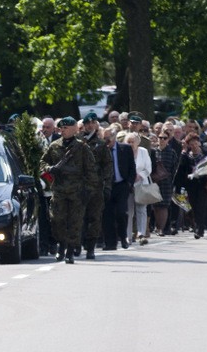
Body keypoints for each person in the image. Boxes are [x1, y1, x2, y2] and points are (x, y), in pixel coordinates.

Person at [40, 116, 97, 262]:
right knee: (56, 220)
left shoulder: (82, 147)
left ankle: (70, 251)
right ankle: (61, 244)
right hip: (58, 189)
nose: (63, 131)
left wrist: (89, 191)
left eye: (66, 128)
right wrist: (49, 168)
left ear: (74, 129)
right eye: (61, 128)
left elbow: (91, 171)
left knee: (75, 222)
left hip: (77, 191)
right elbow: (42, 162)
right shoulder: (54, 145)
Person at [79, 112, 112, 259]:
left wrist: (107, 186)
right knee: (78, 218)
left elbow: (107, 167)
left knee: (94, 218)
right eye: (87, 123)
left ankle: (91, 247)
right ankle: (77, 245)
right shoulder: (77, 142)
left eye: (92, 123)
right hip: (78, 186)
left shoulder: (101, 144)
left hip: (96, 187)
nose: (90, 126)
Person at [101, 127, 136, 250]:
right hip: (107, 186)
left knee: (121, 212)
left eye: (108, 138)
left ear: (114, 137)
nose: (106, 141)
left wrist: (129, 183)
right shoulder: (101, 150)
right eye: (103, 138)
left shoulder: (125, 149)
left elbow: (132, 167)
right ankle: (110, 243)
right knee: (107, 214)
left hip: (122, 185)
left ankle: (123, 237)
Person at [175, 132, 207, 239]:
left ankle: (200, 228)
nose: (194, 145)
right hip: (191, 184)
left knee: (201, 206)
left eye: (196, 143)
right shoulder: (186, 155)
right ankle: (196, 225)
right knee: (193, 206)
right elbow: (180, 169)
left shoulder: (206, 153)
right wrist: (183, 153)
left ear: (199, 142)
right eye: (191, 144)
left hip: (204, 183)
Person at [126, 132, 151, 243]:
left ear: (137, 142)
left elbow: (148, 168)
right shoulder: (124, 151)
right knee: (129, 211)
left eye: (133, 142)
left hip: (141, 183)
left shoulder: (143, 152)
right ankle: (128, 236)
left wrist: (139, 175)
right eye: (129, 142)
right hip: (128, 184)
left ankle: (141, 234)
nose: (131, 144)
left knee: (141, 209)